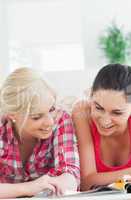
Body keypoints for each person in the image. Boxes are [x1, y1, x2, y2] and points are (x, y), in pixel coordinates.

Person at [0, 67, 80, 198]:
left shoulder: (60, 119)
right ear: (12, 115)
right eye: (37, 117)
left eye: (51, 109)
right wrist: (28, 188)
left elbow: (71, 173)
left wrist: (64, 183)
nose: (49, 122)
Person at [72, 63, 131, 191]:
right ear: (90, 96)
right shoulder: (82, 114)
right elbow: (86, 183)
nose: (105, 121)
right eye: (98, 108)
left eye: (117, 112)